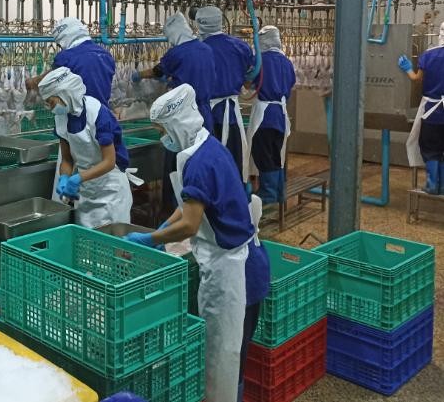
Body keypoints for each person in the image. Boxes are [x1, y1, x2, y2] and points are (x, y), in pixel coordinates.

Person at [125, 84, 256, 402]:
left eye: (162, 131)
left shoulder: (198, 162)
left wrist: (151, 238)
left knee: (220, 351)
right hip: (222, 254)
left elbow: (191, 223)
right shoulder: (203, 147)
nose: (162, 138)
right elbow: (186, 206)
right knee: (218, 346)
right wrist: (162, 229)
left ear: (176, 127)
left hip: (227, 264)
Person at [38, 67, 138, 227]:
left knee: (113, 242)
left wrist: (78, 178)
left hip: (110, 187)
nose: (51, 108)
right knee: (87, 242)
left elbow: (109, 161)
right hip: (86, 190)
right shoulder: (61, 118)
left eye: (52, 102)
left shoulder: (97, 113)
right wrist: (64, 177)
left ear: (66, 93)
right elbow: (67, 160)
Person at [195, 6, 255, 178]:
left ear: (200, 23)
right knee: (232, 157)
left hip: (206, 113)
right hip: (231, 112)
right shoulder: (240, 46)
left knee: (209, 160)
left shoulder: (198, 49)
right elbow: (251, 74)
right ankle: (236, 195)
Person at [132, 12, 216, 131]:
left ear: (175, 34)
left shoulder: (177, 52)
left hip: (184, 113)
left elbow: (157, 72)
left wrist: (138, 75)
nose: (170, 41)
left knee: (181, 146)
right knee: (203, 145)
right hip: (205, 110)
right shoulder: (206, 48)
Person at [246, 26, 296, 204]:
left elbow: (248, 83)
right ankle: (279, 192)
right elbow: (290, 84)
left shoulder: (261, 60)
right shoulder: (287, 62)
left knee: (264, 155)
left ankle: (268, 194)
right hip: (281, 115)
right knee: (276, 155)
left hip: (265, 116)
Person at [399, 21, 444, 194]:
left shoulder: (428, 55)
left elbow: (416, 79)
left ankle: (433, 185)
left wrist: (407, 68)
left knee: (431, 148)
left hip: (432, 112)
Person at [26, 17, 116, 106]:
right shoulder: (106, 55)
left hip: (80, 115)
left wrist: (33, 82)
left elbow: (49, 79)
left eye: (59, 44)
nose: (61, 47)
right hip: (103, 112)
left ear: (64, 38)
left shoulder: (66, 57)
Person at [239, 195, 270, 402]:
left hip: (246, 277)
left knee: (238, 348)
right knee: (240, 346)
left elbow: (190, 220)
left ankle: (236, 392)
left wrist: (157, 238)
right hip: (253, 272)